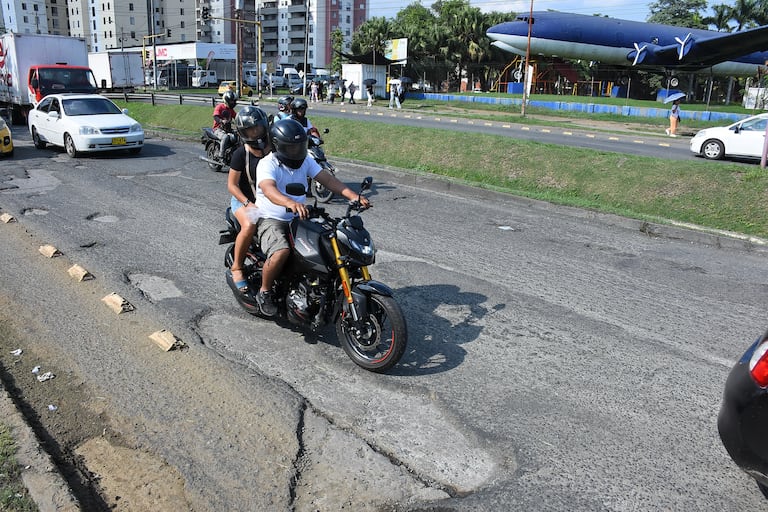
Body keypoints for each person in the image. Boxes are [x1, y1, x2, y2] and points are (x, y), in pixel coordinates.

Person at [252, 118, 371, 316]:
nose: (296, 151)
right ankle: (264, 291)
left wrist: (353, 195)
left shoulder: (306, 160)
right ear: (277, 146)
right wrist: (290, 203)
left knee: (328, 243)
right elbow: (268, 188)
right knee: (281, 251)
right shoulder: (268, 164)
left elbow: (327, 179)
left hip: (300, 215)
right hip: (272, 217)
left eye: (299, 146)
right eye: (291, 148)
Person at [226, 106, 271, 295]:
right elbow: (232, 185)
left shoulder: (274, 148)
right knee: (250, 224)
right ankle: (237, 267)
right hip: (244, 201)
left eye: (257, 128)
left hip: (269, 200)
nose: (255, 133)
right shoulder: (240, 154)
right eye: (250, 130)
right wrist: (247, 203)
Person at [214, 91, 238, 160]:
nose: (233, 103)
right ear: (226, 101)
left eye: (233, 101)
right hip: (218, 129)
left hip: (228, 129)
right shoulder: (219, 107)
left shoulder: (231, 110)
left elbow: (236, 117)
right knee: (225, 137)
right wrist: (221, 121)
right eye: (231, 101)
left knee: (238, 137)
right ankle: (221, 155)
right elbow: (215, 116)